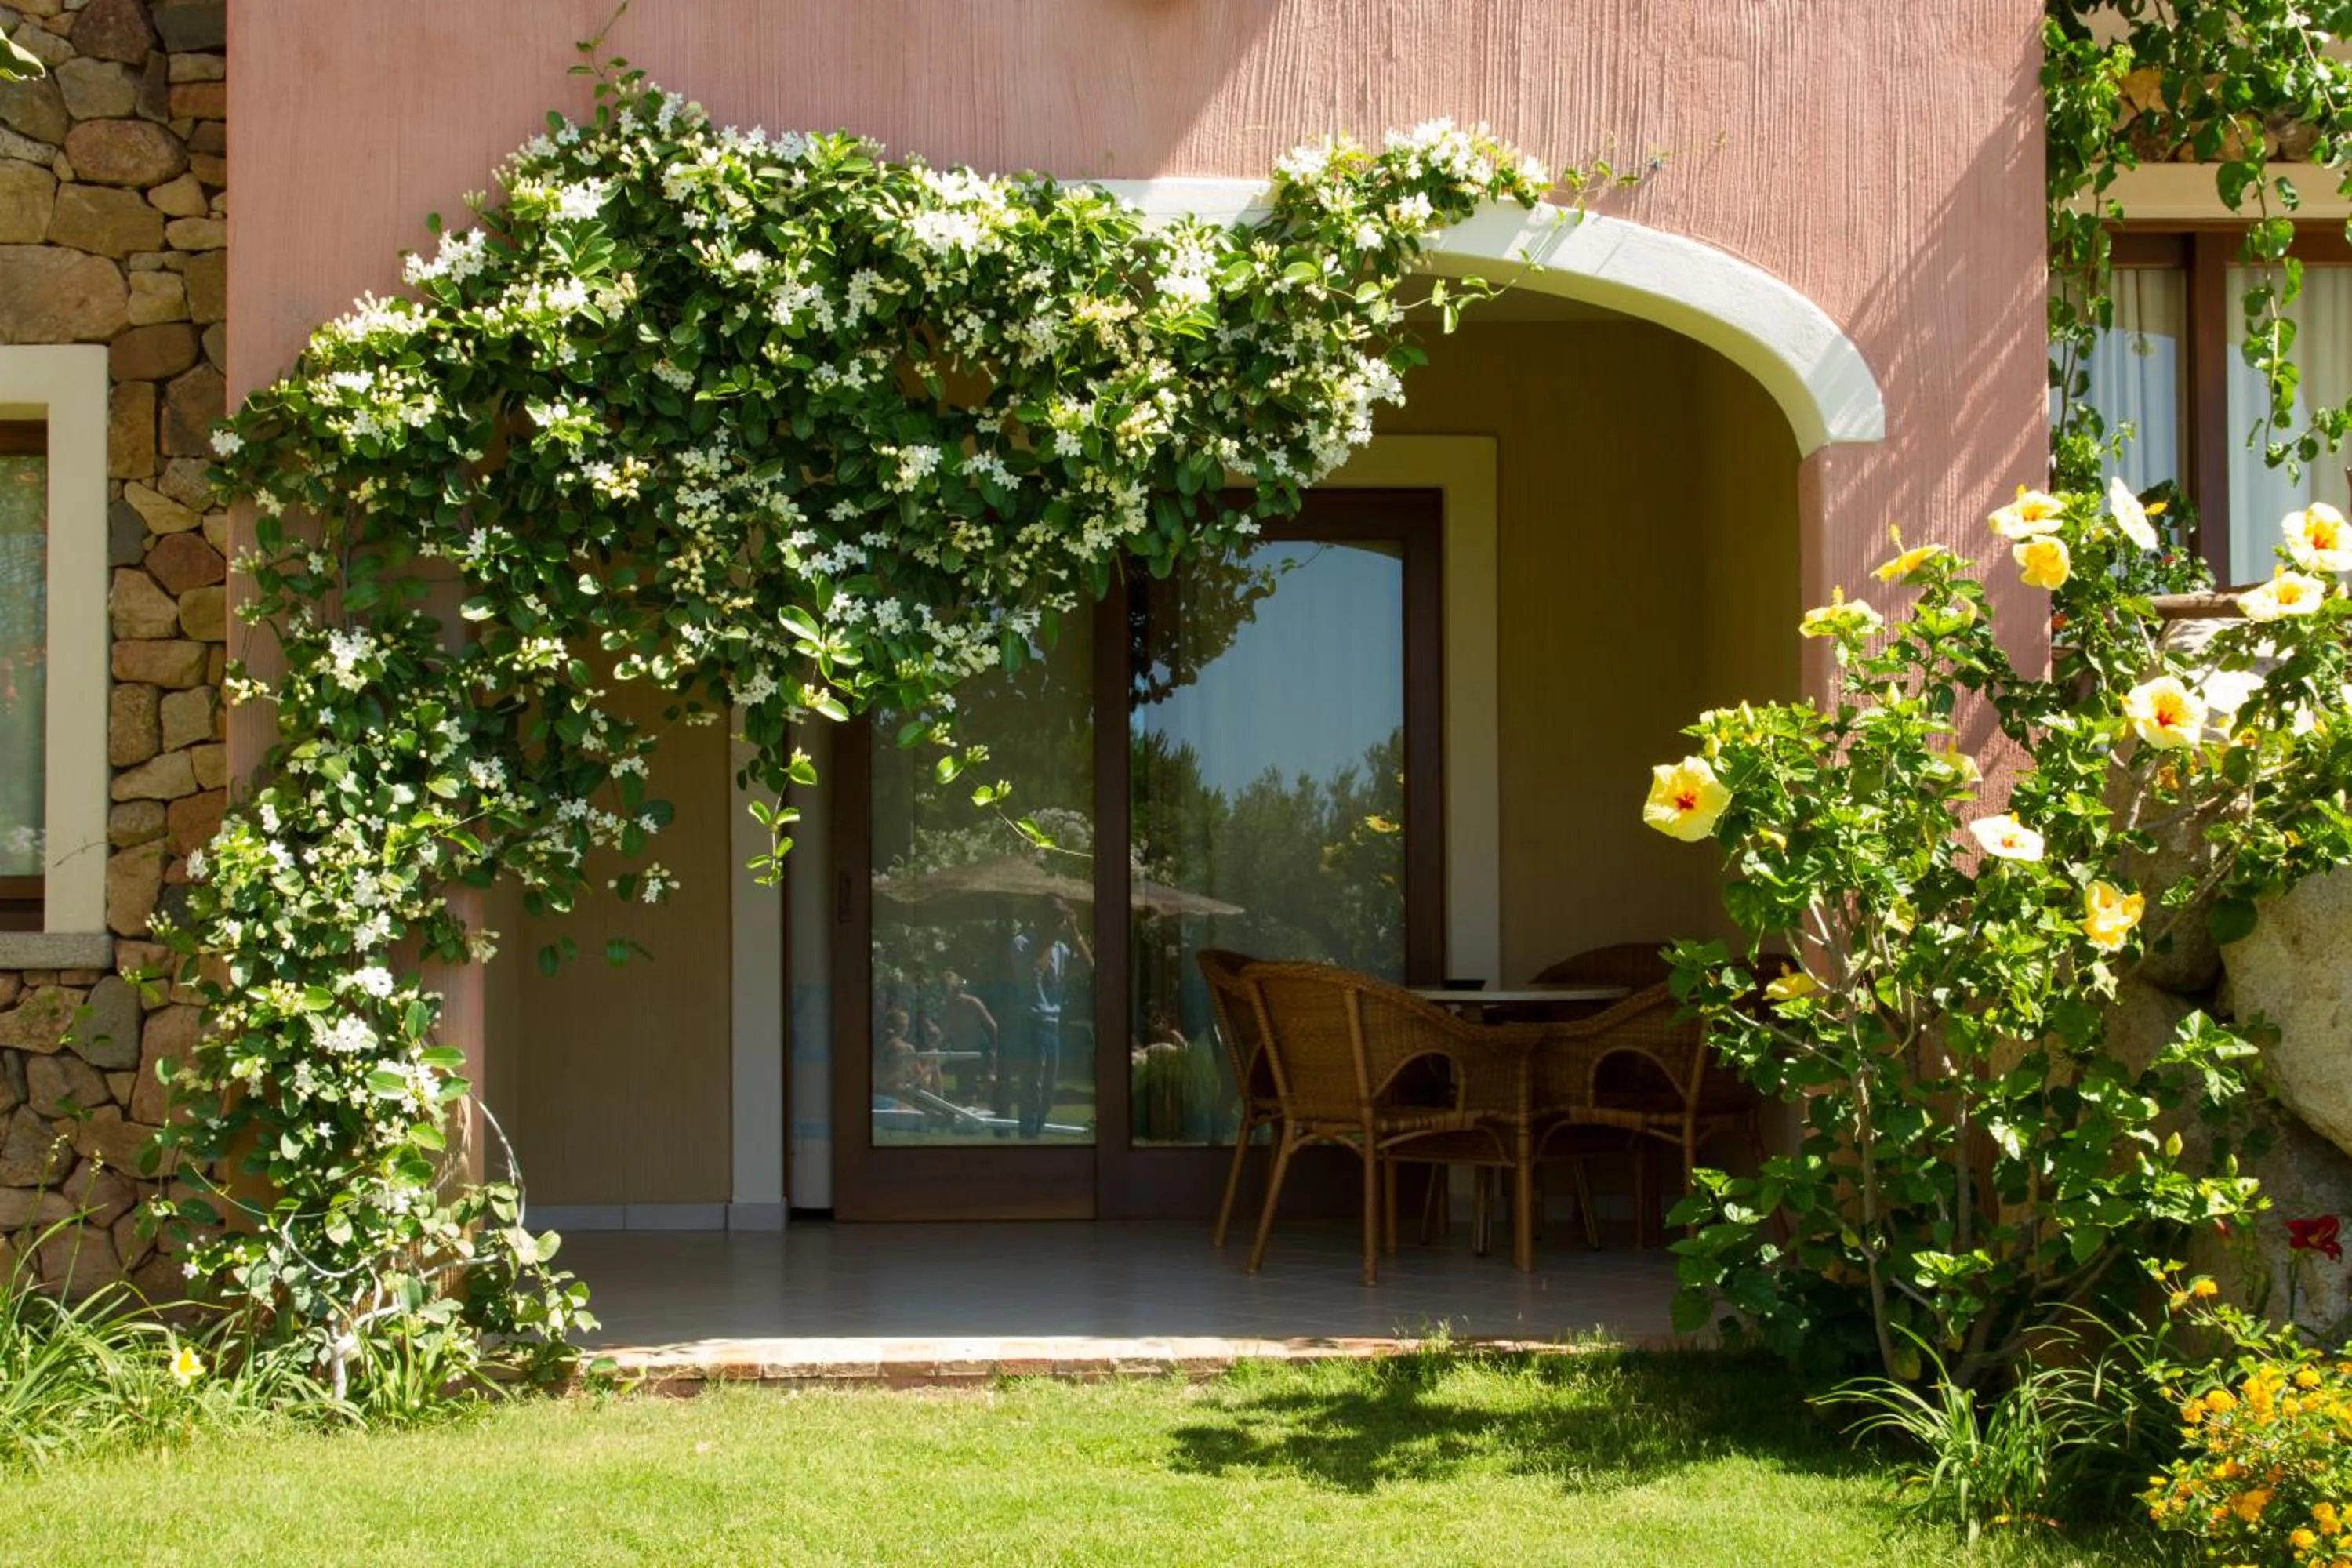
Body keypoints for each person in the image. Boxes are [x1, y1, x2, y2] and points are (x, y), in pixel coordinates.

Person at [996, 897, 1093, 1139]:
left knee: (1049, 1089)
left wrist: (1075, 930)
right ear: (1042, 916)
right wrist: (1049, 939)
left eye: (1062, 917)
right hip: (1031, 1023)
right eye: (1056, 916)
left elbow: (1090, 964)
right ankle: (1028, 1134)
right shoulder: (1022, 943)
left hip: (1053, 1025)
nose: (1060, 922)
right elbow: (1033, 974)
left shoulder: (1060, 949)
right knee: (1033, 1086)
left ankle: (1034, 1135)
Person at [938, 968, 1000, 1100]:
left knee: (988, 1084)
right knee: (965, 1090)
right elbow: (947, 1032)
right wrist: (938, 1046)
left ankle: (995, 1114)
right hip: (960, 1052)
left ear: (956, 987)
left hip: (979, 1050)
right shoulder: (947, 1007)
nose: (944, 992)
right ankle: (971, 1113)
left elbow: (992, 1026)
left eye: (946, 988)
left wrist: (994, 1051)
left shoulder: (972, 1003)